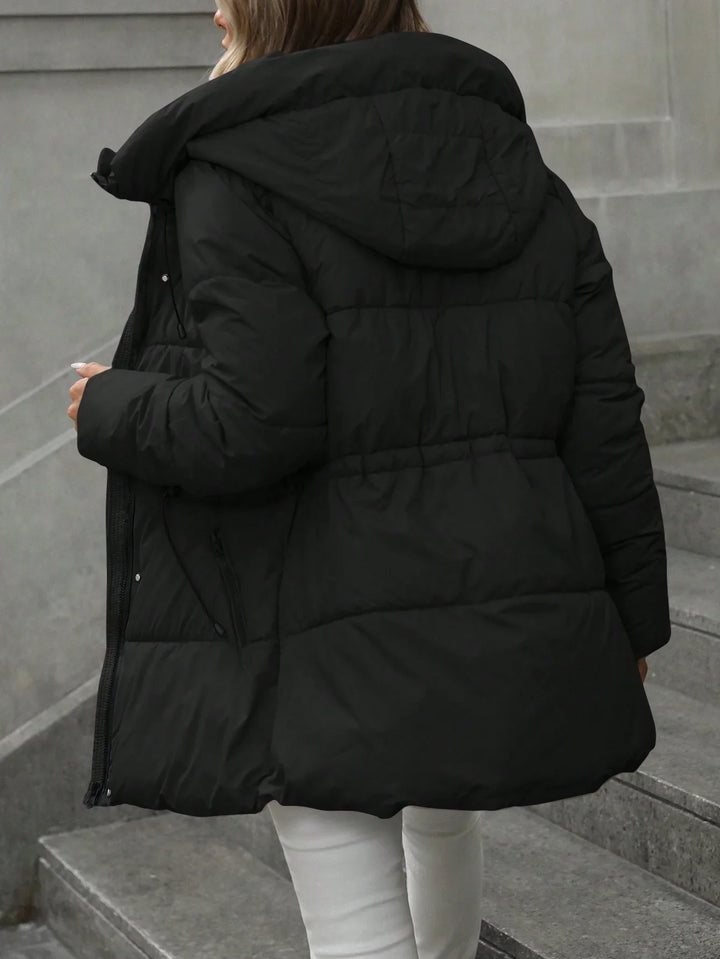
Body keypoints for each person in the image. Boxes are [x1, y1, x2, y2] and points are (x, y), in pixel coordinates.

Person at [67, 2, 671, 957]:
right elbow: (603, 418)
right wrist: (636, 616)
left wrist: (109, 405)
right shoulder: (520, 172)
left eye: (231, 9)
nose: (212, 18)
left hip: (321, 616)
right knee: (443, 815)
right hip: (492, 588)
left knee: (347, 885)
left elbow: (254, 418)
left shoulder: (237, 171)